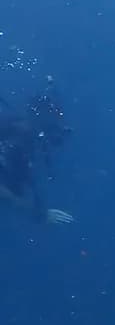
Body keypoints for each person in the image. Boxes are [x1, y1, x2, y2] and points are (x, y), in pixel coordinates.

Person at [0, 79, 73, 225]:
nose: (56, 126)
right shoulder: (17, 139)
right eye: (52, 119)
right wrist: (36, 212)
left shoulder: (22, 136)